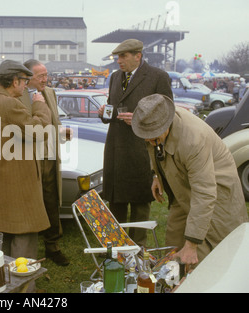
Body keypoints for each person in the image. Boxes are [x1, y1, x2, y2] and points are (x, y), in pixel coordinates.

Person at [131, 93, 248, 265]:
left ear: (167, 124)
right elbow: (154, 150)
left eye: (153, 135)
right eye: (145, 135)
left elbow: (205, 193)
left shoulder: (193, 139)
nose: (148, 139)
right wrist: (156, 175)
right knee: (173, 244)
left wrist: (192, 244)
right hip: (182, 184)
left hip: (215, 189)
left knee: (208, 252)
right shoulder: (155, 122)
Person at [0, 60, 51, 263]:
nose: (25, 86)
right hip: (16, 185)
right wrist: (40, 106)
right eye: (24, 81)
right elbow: (39, 131)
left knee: (2, 243)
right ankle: (24, 287)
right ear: (14, 81)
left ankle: (3, 285)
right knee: (24, 235)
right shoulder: (10, 104)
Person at [98, 39, 173, 246]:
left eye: (123, 56)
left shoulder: (158, 77)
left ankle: (138, 252)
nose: (118, 61)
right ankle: (115, 250)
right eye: (117, 57)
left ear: (138, 56)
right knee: (116, 205)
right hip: (115, 150)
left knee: (140, 206)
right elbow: (113, 108)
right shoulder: (114, 77)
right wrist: (105, 113)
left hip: (142, 150)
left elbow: (167, 113)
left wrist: (140, 119)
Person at [19, 59, 71, 266]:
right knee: (30, 201)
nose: (45, 79)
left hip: (48, 155)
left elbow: (52, 121)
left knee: (51, 200)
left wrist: (61, 133)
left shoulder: (50, 92)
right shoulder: (17, 95)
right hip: (27, 158)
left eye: (46, 75)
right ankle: (26, 247)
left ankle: (53, 246)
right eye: (40, 76)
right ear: (27, 77)